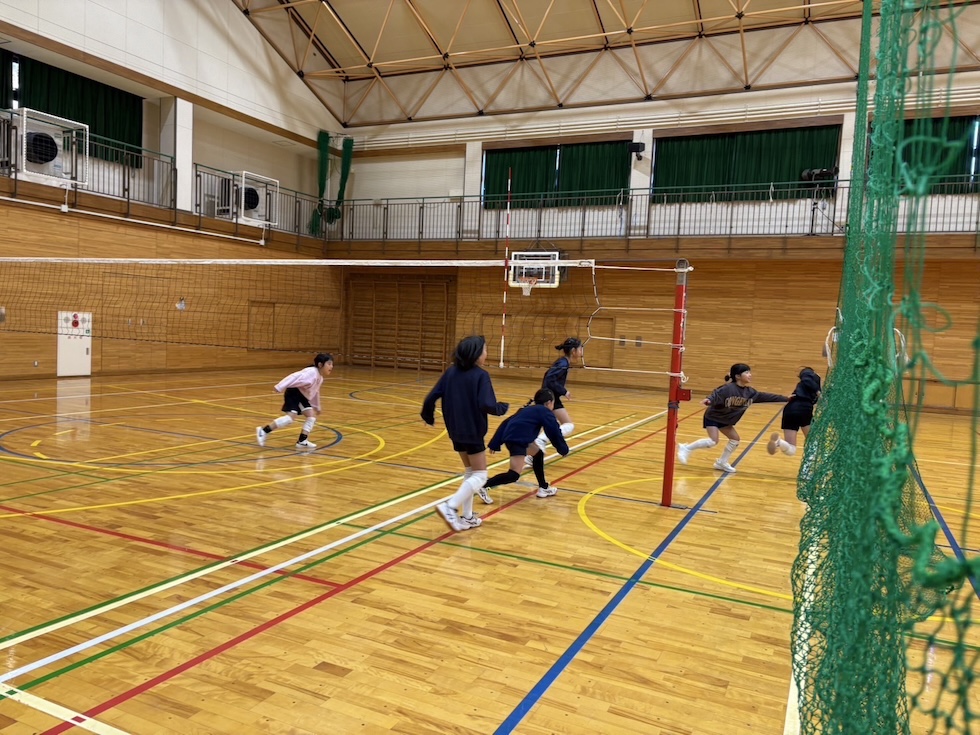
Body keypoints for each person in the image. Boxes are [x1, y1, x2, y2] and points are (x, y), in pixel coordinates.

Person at [421, 335, 509, 533]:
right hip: (472, 430)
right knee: (480, 475)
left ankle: (467, 517)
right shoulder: (480, 375)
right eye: (485, 350)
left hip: (455, 430)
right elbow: (487, 404)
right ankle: (450, 507)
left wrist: (428, 416)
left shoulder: (451, 372)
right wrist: (501, 408)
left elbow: (431, 397)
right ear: (476, 353)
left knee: (470, 472)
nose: (487, 354)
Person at [677, 363, 788, 473]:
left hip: (726, 420)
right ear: (738, 376)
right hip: (713, 417)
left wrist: (786, 399)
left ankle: (721, 462)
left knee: (735, 440)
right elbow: (716, 394)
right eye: (747, 372)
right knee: (712, 441)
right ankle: (686, 448)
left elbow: (767, 396)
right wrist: (709, 400)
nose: (750, 375)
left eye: (750, 372)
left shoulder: (750, 393)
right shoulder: (728, 388)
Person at [481, 389, 570, 503]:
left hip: (516, 438)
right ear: (548, 403)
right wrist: (563, 449)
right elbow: (553, 432)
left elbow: (506, 423)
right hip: (518, 441)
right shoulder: (544, 411)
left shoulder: (528, 409)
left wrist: (495, 442)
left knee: (538, 453)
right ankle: (483, 486)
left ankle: (544, 488)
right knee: (513, 474)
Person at [256, 353, 333, 449]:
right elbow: (293, 376)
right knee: (290, 419)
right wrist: (280, 386)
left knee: (311, 416)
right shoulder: (311, 372)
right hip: (294, 393)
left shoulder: (320, 378)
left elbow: (315, 392)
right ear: (320, 365)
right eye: (329, 364)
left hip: (302, 396)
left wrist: (317, 406)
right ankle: (263, 431)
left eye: (332, 364)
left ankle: (302, 441)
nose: (331, 366)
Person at [527, 337, 583, 464]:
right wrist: (564, 391)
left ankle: (533, 453)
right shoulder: (563, 363)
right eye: (580, 348)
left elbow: (549, 377)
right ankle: (539, 443)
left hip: (551, 397)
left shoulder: (564, 362)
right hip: (549, 398)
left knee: (562, 425)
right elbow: (550, 379)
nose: (581, 351)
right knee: (567, 425)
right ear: (573, 351)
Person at [768, 367, 821, 457]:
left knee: (791, 450)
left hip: (789, 410)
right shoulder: (810, 376)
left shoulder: (807, 386)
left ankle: (779, 442)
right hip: (803, 409)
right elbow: (806, 378)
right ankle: (809, 466)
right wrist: (818, 391)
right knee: (813, 441)